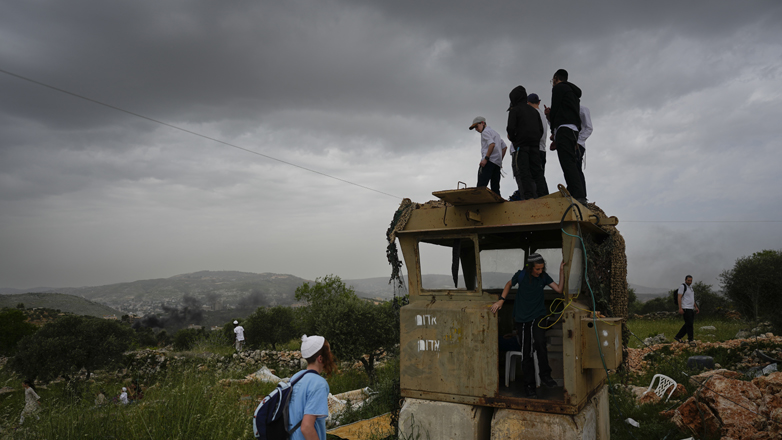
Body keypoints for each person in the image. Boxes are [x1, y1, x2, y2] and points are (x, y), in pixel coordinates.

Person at [490, 253, 565, 398]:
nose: (540, 271)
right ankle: (529, 387)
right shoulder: (521, 275)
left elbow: (559, 289)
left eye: (542, 268)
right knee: (527, 352)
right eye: (537, 269)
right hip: (522, 319)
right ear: (531, 268)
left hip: (538, 316)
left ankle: (545, 376)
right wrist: (501, 300)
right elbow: (508, 284)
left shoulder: (544, 277)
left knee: (540, 342)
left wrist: (561, 271)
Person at [546, 69, 585, 204]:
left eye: (553, 80)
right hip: (574, 130)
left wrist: (553, 131)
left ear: (556, 78)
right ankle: (579, 194)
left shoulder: (558, 89)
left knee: (567, 163)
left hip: (563, 129)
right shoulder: (574, 93)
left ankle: (577, 196)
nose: (553, 83)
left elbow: (556, 108)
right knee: (572, 163)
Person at [288, 334, 337, 440]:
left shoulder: (295, 378)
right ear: (320, 358)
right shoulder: (319, 384)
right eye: (328, 353)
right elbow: (306, 427)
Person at [506, 86, 546, 201]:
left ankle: (528, 198)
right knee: (538, 172)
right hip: (535, 146)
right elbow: (541, 130)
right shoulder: (534, 111)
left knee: (523, 172)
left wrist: (515, 141)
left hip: (521, 147)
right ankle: (542, 196)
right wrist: (535, 141)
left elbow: (510, 129)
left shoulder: (515, 110)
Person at [469, 116, 507, 197]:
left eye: (476, 126)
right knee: (495, 188)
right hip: (496, 164)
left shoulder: (485, 132)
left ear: (482, 123)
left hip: (489, 162)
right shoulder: (495, 133)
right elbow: (504, 147)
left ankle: (479, 206)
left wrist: (486, 159)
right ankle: (498, 207)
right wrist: (500, 160)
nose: (476, 129)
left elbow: (492, 144)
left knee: (481, 186)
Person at [527, 93, 549, 194]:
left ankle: (540, 197)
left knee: (533, 178)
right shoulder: (543, 115)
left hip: (535, 149)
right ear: (539, 102)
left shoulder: (532, 113)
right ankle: (544, 197)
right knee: (540, 176)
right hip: (543, 149)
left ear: (528, 103)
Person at [674, 275, 699, 343]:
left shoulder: (690, 288)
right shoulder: (682, 287)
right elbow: (679, 297)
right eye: (688, 280)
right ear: (685, 280)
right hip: (685, 307)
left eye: (691, 280)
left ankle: (678, 336)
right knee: (689, 324)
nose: (690, 282)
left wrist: (696, 307)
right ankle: (690, 339)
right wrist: (680, 308)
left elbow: (691, 299)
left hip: (691, 308)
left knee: (689, 323)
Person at [576, 105, 593, 200]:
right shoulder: (566, 109)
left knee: (576, 168)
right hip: (571, 143)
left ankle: (581, 195)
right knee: (571, 169)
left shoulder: (582, 110)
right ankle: (575, 191)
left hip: (578, 144)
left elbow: (589, 128)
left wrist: (578, 141)